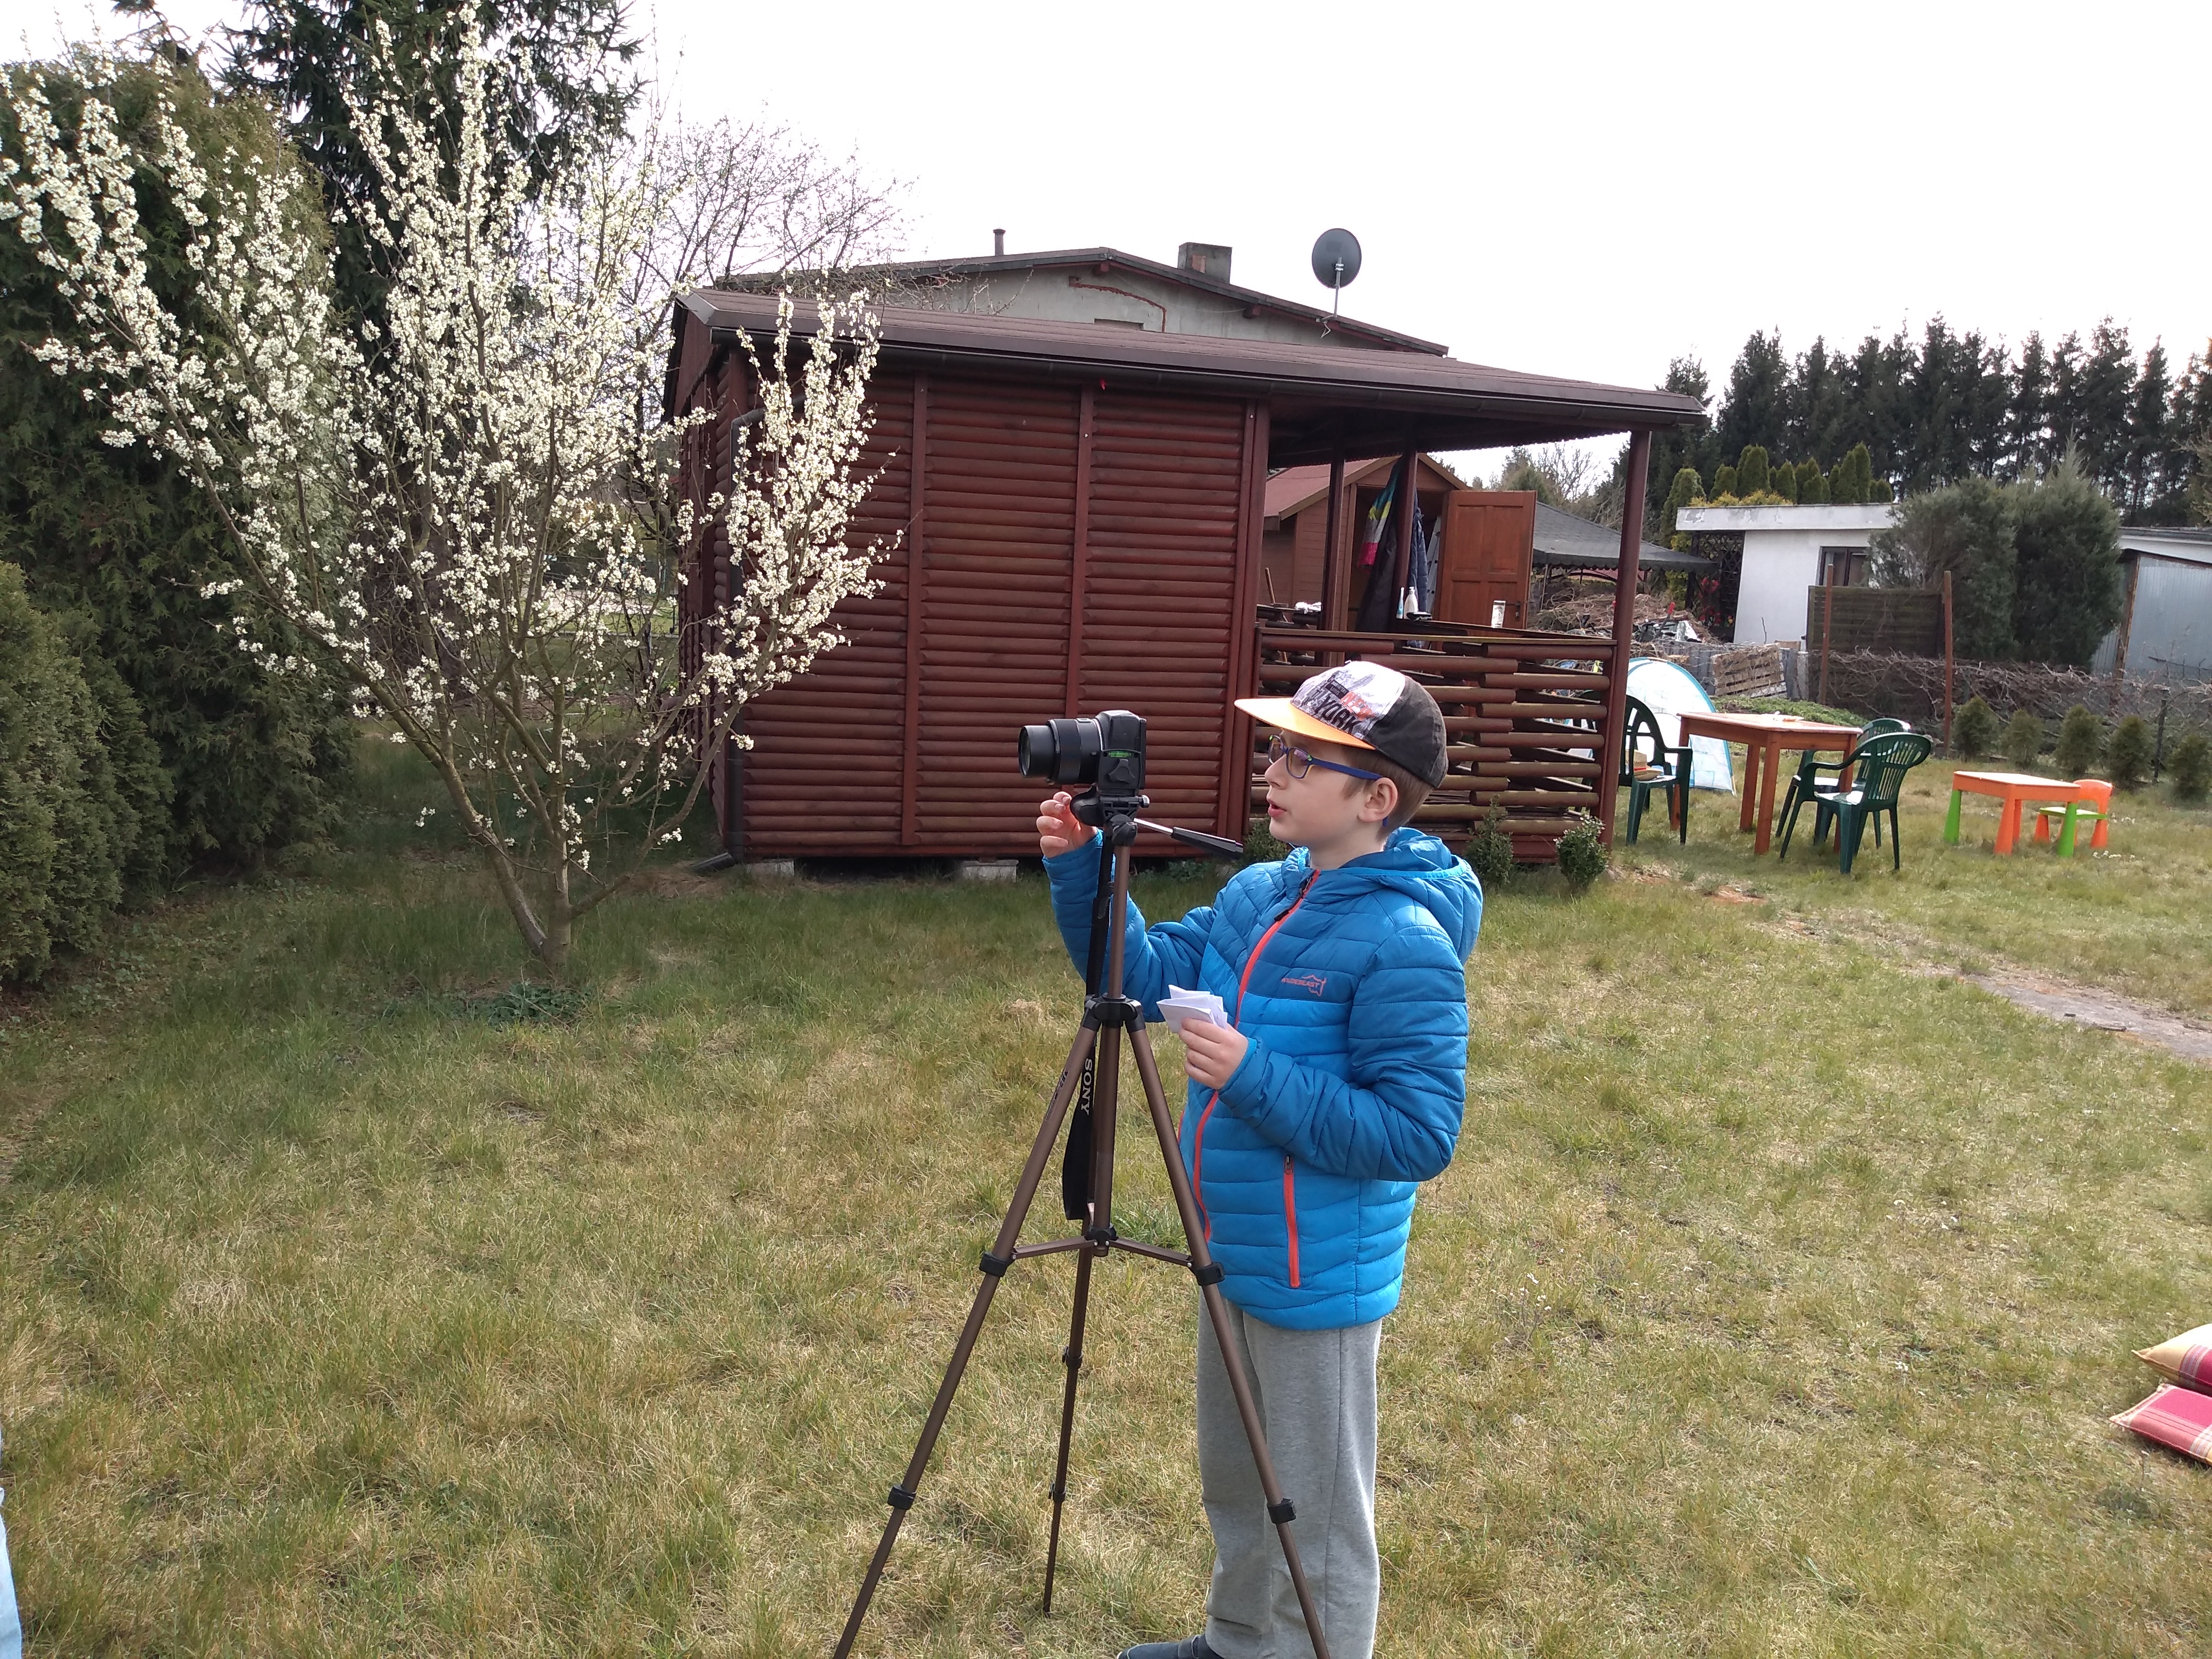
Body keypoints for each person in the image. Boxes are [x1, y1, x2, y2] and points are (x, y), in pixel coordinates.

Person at [1034, 661, 1481, 1659]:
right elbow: (1141, 980)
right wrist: (1083, 869)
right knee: (1238, 1481)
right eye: (1276, 749)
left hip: (1317, 1276)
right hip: (1228, 1246)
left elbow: (1418, 1134)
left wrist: (1252, 1074)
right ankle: (1240, 1643)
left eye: (1301, 758)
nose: (1272, 771)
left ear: (1377, 799)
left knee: (1316, 1518)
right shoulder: (1254, 896)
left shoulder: (1404, 942)